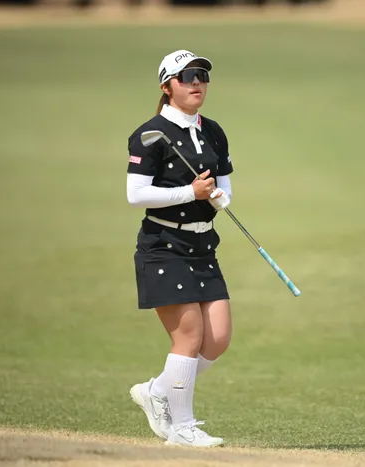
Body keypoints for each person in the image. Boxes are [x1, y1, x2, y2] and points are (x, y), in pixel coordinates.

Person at [126, 49, 234, 448]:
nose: (197, 83)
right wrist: (191, 192)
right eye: (187, 76)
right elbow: (136, 194)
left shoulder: (214, 131)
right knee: (189, 336)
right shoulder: (149, 134)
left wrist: (219, 198)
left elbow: (225, 184)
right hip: (163, 246)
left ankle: (157, 391)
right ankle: (182, 428)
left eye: (202, 76)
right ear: (167, 86)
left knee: (217, 338)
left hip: (203, 246)